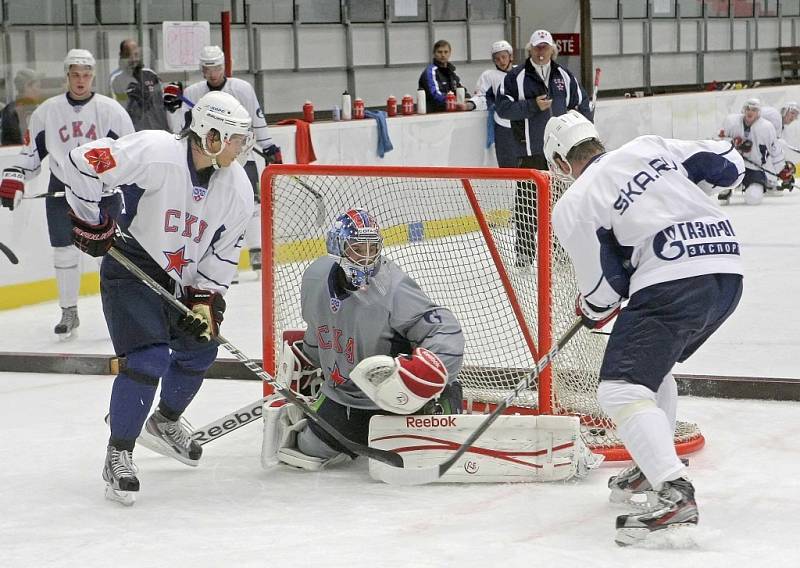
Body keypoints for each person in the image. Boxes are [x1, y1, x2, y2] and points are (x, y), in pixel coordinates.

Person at [544, 110, 744, 546]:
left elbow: (603, 289)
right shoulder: (648, 145)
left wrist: (590, 308)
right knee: (652, 367)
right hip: (728, 271)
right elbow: (728, 162)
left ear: (560, 163)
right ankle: (652, 463)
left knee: (619, 388)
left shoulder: (575, 201)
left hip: (673, 280)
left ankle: (673, 492)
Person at [61, 90, 255, 506]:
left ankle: (164, 423)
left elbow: (222, 254)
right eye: (237, 138)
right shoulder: (156, 150)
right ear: (212, 134)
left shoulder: (237, 185)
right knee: (149, 359)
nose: (243, 146)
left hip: (181, 283)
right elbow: (80, 163)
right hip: (131, 267)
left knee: (200, 352)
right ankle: (119, 453)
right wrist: (90, 221)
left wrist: (205, 301)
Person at [262, 208, 465, 471]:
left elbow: (444, 329)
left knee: (417, 450)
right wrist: (309, 358)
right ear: (337, 248)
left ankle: (443, 402)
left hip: (395, 401)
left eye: (373, 249)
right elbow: (317, 329)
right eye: (358, 249)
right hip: (342, 398)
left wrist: (429, 371)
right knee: (307, 450)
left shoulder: (392, 287)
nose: (367, 258)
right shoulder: (315, 277)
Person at [0, 49, 134, 338]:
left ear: (93, 76)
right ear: (67, 76)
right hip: (61, 189)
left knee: (109, 255)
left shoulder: (111, 110)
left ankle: (117, 312)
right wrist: (15, 175)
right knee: (63, 252)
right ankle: (68, 312)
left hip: (102, 192)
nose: (81, 80)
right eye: (75, 74)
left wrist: (120, 183)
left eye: (86, 75)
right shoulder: (47, 111)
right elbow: (32, 155)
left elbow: (128, 153)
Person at [166, 45, 281, 274]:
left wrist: (268, 145)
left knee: (253, 204)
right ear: (202, 69)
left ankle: (256, 254)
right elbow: (182, 130)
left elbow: (256, 116)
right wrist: (172, 110)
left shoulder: (242, 88)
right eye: (208, 68)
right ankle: (221, 261)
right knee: (215, 207)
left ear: (224, 66)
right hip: (210, 159)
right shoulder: (192, 93)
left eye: (217, 67)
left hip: (241, 153)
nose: (213, 73)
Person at [496, 29, 593, 268]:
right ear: (530, 49)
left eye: (545, 47)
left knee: (561, 204)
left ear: (552, 49)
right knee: (527, 205)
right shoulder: (515, 77)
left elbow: (583, 105)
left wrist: (576, 121)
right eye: (537, 47)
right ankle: (525, 254)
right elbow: (502, 108)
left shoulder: (564, 76)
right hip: (529, 152)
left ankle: (560, 251)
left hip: (560, 155)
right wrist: (532, 106)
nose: (541, 52)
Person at [717, 98, 793, 204]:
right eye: (748, 108)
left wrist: (782, 171)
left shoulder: (766, 127)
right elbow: (717, 141)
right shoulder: (731, 122)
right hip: (733, 165)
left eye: (754, 109)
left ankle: (758, 186)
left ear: (758, 113)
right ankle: (727, 189)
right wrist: (733, 143)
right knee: (722, 192)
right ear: (743, 110)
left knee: (753, 199)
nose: (750, 112)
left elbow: (775, 150)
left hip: (754, 168)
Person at [471, 40, 522, 168]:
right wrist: (471, 104)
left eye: (504, 57)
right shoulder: (489, 76)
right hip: (503, 125)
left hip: (522, 123)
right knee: (507, 164)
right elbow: (481, 96)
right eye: (497, 59)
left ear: (511, 56)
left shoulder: (522, 72)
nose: (501, 61)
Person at [109, 39, 170, 132]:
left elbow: (162, 104)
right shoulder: (116, 79)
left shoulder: (150, 74)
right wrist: (132, 101)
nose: (133, 59)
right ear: (121, 55)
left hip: (159, 131)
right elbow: (118, 110)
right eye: (128, 55)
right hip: (135, 133)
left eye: (136, 55)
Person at [418, 39, 474, 113]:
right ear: (434, 54)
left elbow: (460, 90)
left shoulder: (451, 73)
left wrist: (468, 99)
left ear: (450, 53)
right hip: (433, 114)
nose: (443, 55)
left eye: (446, 52)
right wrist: (455, 100)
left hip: (450, 113)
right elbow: (435, 95)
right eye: (439, 52)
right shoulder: (430, 72)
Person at [0, 68, 43, 145]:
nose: (40, 91)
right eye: (38, 86)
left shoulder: (38, 108)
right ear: (27, 87)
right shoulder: (12, 112)